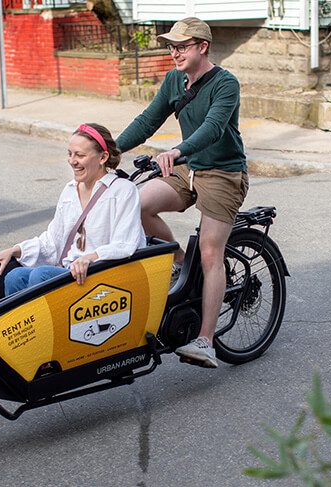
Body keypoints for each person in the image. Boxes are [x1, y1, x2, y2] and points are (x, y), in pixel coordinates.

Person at [116, 17, 248, 369]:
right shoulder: (175, 79)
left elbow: (214, 128)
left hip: (222, 171)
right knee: (136, 204)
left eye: (182, 46)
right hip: (187, 168)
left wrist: (177, 150)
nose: (174, 53)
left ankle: (205, 339)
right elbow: (148, 121)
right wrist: (108, 150)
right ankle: (177, 264)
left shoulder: (225, 83)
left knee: (208, 252)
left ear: (202, 47)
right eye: (171, 46)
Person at [0, 123, 145, 295]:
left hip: (101, 273)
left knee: (41, 275)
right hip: (71, 271)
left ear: (103, 157)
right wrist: (16, 250)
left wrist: (90, 258)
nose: (72, 161)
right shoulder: (70, 190)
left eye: (80, 155)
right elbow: (53, 241)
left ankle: (45, 321)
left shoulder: (123, 190)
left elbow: (125, 243)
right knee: (15, 276)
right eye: (70, 154)